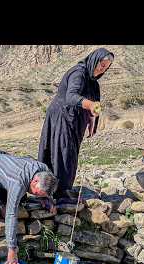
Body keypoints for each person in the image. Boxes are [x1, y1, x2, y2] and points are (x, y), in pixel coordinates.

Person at [38, 48, 114, 203]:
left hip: (75, 122)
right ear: (94, 59)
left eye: (106, 67)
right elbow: (71, 96)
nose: (102, 69)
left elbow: (94, 105)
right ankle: (55, 193)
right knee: (61, 154)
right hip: (62, 117)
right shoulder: (78, 73)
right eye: (101, 64)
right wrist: (90, 105)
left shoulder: (93, 84)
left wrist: (92, 119)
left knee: (70, 156)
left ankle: (63, 190)